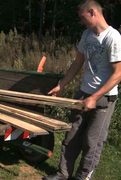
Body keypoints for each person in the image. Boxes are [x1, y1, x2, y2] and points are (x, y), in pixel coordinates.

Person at [44, 1, 121, 180]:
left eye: (82, 17)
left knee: (92, 143)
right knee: (71, 137)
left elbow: (118, 74)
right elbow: (78, 62)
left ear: (92, 12)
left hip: (104, 100)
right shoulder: (87, 35)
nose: (81, 21)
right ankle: (62, 174)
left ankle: (82, 177)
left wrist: (95, 97)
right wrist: (62, 84)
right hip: (83, 94)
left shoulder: (113, 37)